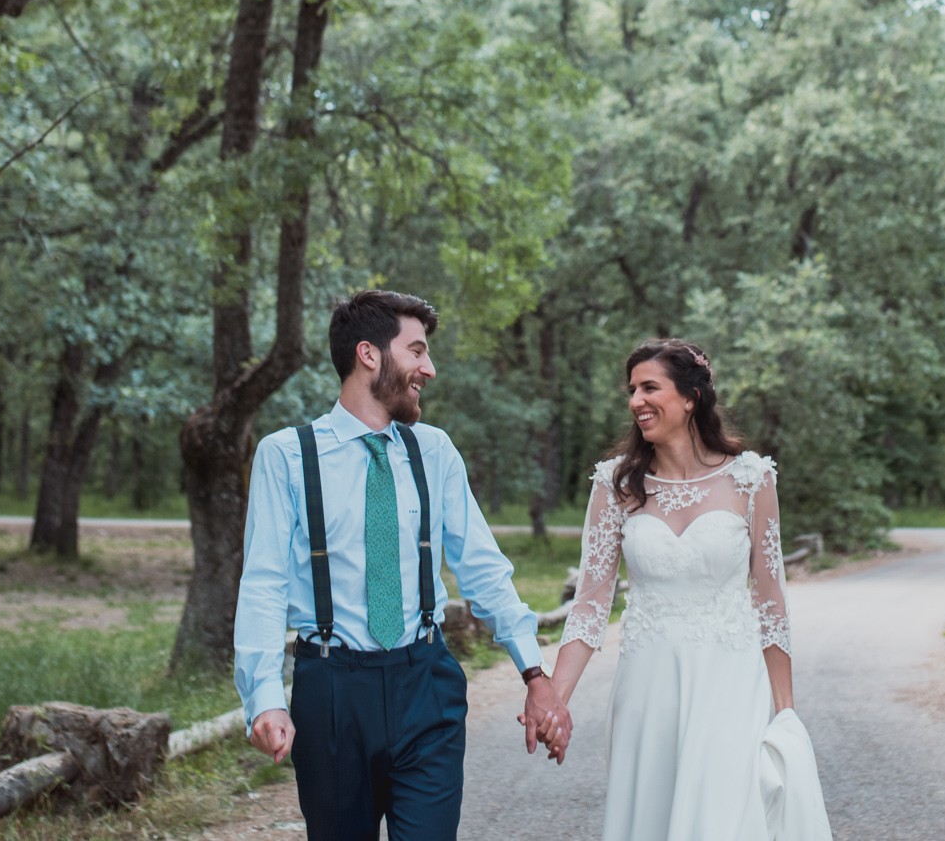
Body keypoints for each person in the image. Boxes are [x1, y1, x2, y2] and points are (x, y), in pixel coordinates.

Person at [233, 289, 567, 840]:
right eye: (416, 351)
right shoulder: (287, 455)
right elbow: (263, 583)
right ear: (369, 354)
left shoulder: (433, 451)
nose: (428, 369)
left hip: (427, 685)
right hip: (332, 691)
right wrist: (264, 697)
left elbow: (483, 568)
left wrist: (534, 673)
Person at [545, 337, 832, 841]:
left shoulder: (751, 478)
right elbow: (590, 604)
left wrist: (785, 711)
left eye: (649, 387)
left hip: (729, 680)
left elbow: (770, 603)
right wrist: (556, 699)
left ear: (690, 398)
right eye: (632, 390)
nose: (636, 400)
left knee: (721, 815)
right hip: (647, 686)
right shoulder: (615, 485)